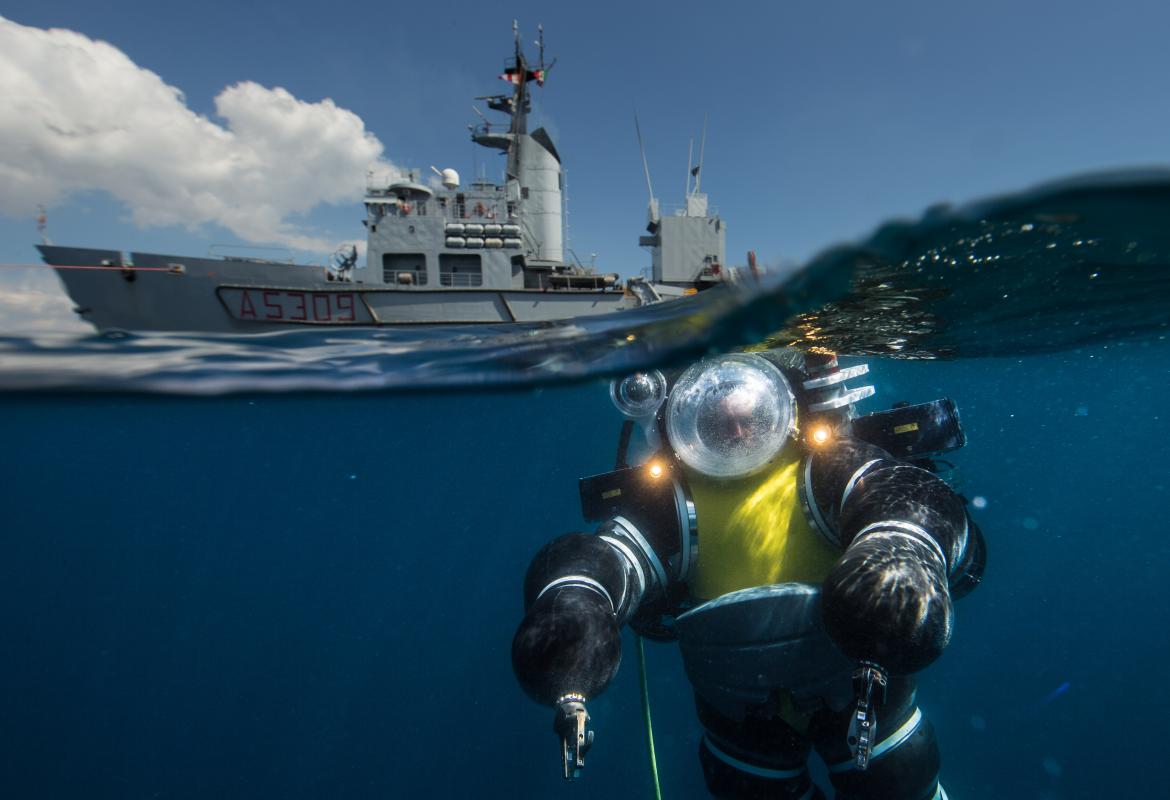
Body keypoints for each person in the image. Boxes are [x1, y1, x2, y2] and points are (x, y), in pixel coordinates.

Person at [511, 348, 986, 799]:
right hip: (741, 720)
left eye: (749, 418)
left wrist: (901, 547)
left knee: (902, 790)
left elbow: (900, 497)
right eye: (719, 424)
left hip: (860, 695)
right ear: (682, 422)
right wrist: (575, 603)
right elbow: (606, 558)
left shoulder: (824, 467)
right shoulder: (671, 506)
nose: (738, 434)